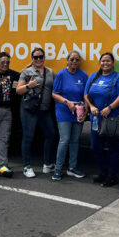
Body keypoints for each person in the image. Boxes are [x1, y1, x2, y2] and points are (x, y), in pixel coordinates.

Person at [84, 52, 119, 187]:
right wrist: (91, 106)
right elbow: (86, 94)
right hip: (96, 119)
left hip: (112, 119)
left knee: (113, 147)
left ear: (113, 62)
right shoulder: (93, 76)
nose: (105, 63)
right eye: (103, 61)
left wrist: (110, 107)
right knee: (96, 147)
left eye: (108, 61)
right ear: (100, 63)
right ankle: (102, 172)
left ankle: (112, 176)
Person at [16, 47, 56, 178]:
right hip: (30, 109)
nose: (38, 59)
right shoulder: (27, 72)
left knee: (51, 134)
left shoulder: (50, 72)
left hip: (44, 109)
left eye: (40, 57)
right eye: (35, 57)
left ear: (44, 58)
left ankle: (47, 164)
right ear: (32, 59)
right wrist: (29, 85)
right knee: (28, 137)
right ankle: (26, 166)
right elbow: (18, 90)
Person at [51, 51, 88, 181]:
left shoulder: (83, 75)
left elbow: (86, 96)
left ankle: (72, 168)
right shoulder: (61, 74)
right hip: (64, 111)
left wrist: (86, 112)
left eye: (77, 60)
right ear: (67, 60)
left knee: (75, 140)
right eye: (72, 59)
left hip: (78, 113)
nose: (74, 62)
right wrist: (67, 103)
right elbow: (54, 94)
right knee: (64, 139)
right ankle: (58, 169)